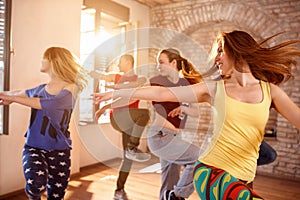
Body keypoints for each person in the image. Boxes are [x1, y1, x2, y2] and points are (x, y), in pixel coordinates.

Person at [92, 30, 300, 199]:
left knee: (169, 173)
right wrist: (120, 92)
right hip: (211, 172)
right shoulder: (214, 89)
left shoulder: (270, 92)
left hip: (244, 178)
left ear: (238, 51)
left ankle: (170, 196)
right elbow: (162, 93)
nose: (216, 57)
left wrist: (183, 110)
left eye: (221, 50)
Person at [0, 47, 88, 200]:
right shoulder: (40, 89)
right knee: (36, 185)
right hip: (34, 147)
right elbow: (16, 93)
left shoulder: (72, 87)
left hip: (60, 150)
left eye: (44, 57)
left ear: (54, 61)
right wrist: (6, 96)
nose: (41, 61)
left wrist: (14, 99)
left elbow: (51, 104)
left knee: (57, 195)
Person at [94, 54, 151, 200]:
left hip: (130, 121)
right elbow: (103, 76)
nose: (118, 65)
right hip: (118, 118)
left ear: (129, 62)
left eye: (120, 62)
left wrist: (106, 104)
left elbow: (130, 96)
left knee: (127, 158)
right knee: (145, 114)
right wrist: (86, 71)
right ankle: (133, 146)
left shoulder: (140, 80)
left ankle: (119, 189)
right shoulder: (117, 76)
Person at [148, 48, 202, 200]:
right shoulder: (157, 82)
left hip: (173, 136)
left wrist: (184, 107)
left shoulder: (187, 84)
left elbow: (196, 112)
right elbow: (138, 95)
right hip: (160, 135)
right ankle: (177, 196)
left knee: (169, 182)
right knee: (198, 158)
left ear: (173, 63)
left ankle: (171, 196)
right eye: (157, 63)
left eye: (161, 62)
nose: (158, 66)